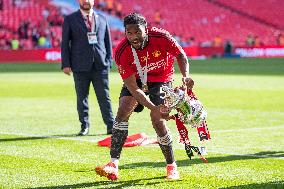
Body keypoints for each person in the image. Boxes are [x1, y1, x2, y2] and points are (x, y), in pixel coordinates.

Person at [95, 13, 194, 180]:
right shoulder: (121, 52)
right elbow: (133, 88)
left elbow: (180, 55)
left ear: (145, 29)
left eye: (137, 32)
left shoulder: (162, 37)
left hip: (161, 79)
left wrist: (185, 76)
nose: (133, 37)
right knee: (122, 111)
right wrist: (152, 106)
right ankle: (113, 164)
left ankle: (171, 166)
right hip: (137, 81)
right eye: (129, 33)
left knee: (158, 120)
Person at [61, 0, 114, 136]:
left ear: (93, 1)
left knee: (104, 97)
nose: (86, 1)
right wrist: (65, 64)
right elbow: (65, 44)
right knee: (82, 98)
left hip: (100, 65)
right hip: (80, 66)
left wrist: (109, 61)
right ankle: (84, 126)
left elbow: (108, 42)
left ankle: (110, 125)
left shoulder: (102, 18)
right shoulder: (70, 19)